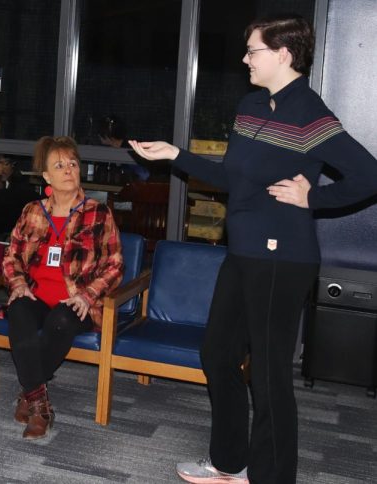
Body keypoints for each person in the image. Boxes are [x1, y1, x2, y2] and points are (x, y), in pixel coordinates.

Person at [129, 14, 377, 484]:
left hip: (284, 258)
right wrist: (174, 155)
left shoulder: (310, 112)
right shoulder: (250, 106)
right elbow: (233, 178)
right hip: (243, 250)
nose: (245, 59)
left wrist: (314, 197)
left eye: (253, 51)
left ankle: (271, 476)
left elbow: (369, 175)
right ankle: (227, 462)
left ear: (283, 55)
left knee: (268, 374)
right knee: (216, 354)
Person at [2, 135, 123, 440]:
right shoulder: (32, 211)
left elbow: (115, 264)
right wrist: (17, 283)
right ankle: (39, 400)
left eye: (73, 163)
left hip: (76, 303)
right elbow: (11, 255)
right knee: (17, 311)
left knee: (60, 320)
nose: (69, 169)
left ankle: (30, 394)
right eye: (60, 165)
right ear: (46, 176)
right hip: (36, 295)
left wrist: (88, 294)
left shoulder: (98, 212)